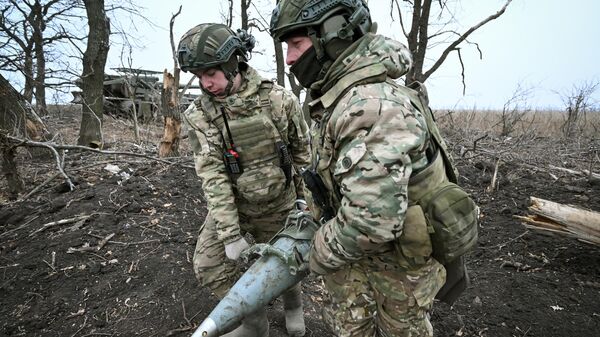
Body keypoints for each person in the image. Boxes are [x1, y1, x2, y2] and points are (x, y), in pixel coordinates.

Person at [269, 1, 477, 336]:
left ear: (332, 36)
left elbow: (370, 222)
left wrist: (312, 252)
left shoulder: (370, 106)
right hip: (362, 261)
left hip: (395, 269)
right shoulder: (344, 95)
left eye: (296, 45)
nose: (290, 58)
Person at [177, 23, 310, 337]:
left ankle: (293, 303)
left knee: (289, 264)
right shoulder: (200, 115)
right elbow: (213, 175)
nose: (205, 83)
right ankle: (254, 321)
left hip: (281, 201)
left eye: (211, 73)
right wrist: (229, 234)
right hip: (236, 204)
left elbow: (303, 154)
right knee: (208, 265)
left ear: (232, 62)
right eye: (198, 76)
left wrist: (306, 201)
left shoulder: (279, 100)